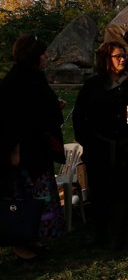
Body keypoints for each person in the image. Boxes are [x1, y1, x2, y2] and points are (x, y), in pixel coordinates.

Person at [73, 41, 128, 249]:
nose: (122, 59)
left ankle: (119, 235)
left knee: (122, 191)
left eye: (124, 56)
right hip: (99, 146)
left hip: (124, 145)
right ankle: (100, 233)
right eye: (117, 56)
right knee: (99, 190)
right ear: (106, 59)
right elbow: (79, 116)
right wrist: (86, 140)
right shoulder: (93, 85)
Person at [0, 34, 66, 259]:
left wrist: (52, 107)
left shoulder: (32, 77)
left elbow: (38, 108)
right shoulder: (18, 80)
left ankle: (32, 241)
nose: (46, 57)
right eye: (43, 53)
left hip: (37, 151)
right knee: (25, 201)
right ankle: (21, 245)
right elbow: (12, 118)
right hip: (27, 155)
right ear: (34, 56)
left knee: (36, 199)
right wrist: (14, 149)